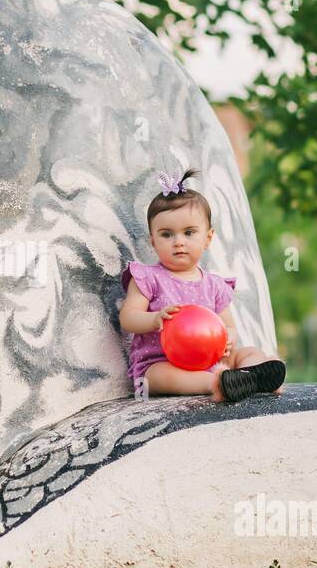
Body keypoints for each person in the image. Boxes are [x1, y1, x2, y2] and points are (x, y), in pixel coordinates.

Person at [118, 166, 286, 401]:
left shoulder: (215, 285)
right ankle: (220, 384)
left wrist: (228, 338)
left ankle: (254, 374)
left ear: (207, 238)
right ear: (153, 241)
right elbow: (128, 318)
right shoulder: (148, 278)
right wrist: (154, 319)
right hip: (164, 361)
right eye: (167, 234)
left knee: (250, 352)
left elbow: (229, 326)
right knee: (156, 376)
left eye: (189, 232)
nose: (178, 242)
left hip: (212, 359)